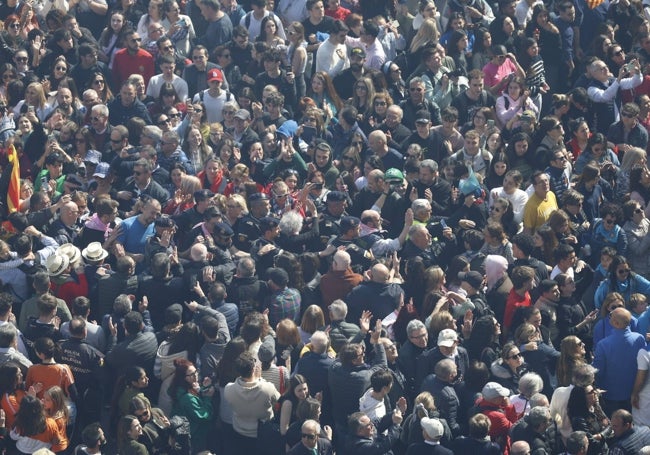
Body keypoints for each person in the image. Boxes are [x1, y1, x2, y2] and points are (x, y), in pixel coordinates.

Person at [593, 308, 646, 416]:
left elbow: (598, 371)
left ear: (615, 323)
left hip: (611, 396)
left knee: (613, 428)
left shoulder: (603, 344)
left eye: (610, 316)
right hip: (635, 393)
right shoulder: (639, 339)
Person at [224, 351, 280, 451]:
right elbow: (278, 399)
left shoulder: (228, 389)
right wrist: (260, 379)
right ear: (254, 368)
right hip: (262, 434)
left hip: (239, 432)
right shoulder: (267, 388)